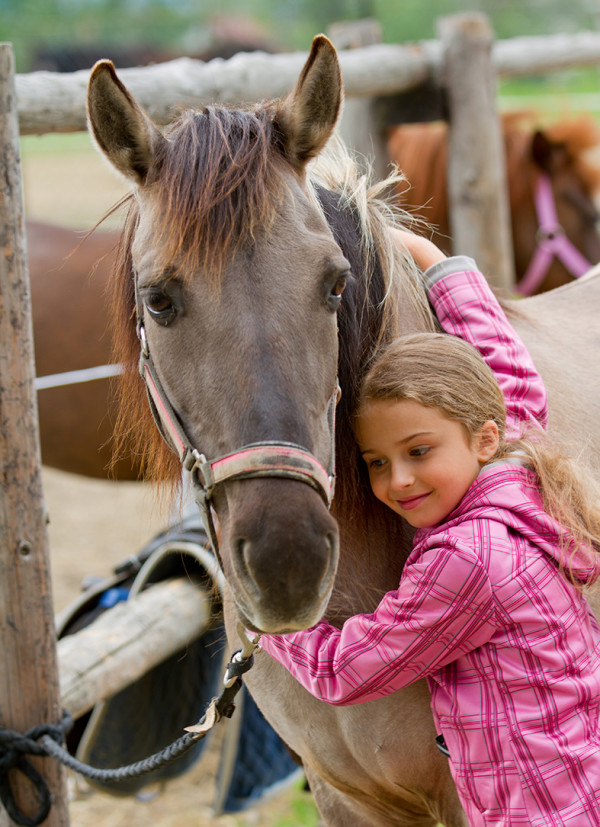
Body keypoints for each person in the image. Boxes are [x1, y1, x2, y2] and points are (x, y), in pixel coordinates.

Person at [258, 232, 600, 825]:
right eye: (376, 463)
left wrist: (268, 614)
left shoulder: (468, 559)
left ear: (483, 436)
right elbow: (506, 369)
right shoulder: (518, 460)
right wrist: (434, 262)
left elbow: (346, 670)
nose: (400, 482)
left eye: (418, 451)